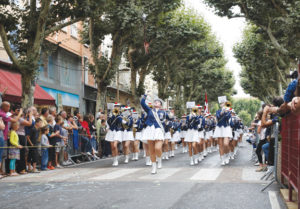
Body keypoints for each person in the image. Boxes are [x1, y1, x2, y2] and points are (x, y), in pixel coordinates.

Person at [140, 95, 169, 174]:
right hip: (150, 130)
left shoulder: (163, 112)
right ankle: (153, 167)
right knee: (151, 150)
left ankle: (159, 159)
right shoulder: (149, 110)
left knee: (158, 148)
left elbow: (169, 119)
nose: (156, 102)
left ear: (160, 105)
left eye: (158, 102)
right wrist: (144, 96)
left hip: (159, 130)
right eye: (155, 101)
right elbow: (142, 103)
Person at [0, 102, 22, 175]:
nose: (9, 109)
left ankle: (2, 171)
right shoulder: (2, 114)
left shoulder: (5, 113)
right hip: (2, 136)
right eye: (8, 107)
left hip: (5, 136)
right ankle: (6, 171)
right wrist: (20, 114)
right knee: (2, 155)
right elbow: (15, 121)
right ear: (4, 107)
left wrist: (14, 114)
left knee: (3, 155)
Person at [213, 101, 232, 165]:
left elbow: (228, 117)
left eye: (224, 103)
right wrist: (222, 112)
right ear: (220, 105)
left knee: (226, 144)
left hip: (226, 128)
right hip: (219, 128)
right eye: (221, 104)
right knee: (220, 145)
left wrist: (226, 111)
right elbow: (218, 117)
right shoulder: (218, 111)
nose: (223, 104)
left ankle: (227, 155)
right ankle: (222, 159)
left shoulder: (228, 111)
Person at [15, 108, 32, 174]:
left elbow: (24, 122)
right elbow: (29, 123)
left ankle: (20, 168)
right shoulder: (18, 118)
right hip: (20, 136)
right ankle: (21, 169)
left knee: (21, 153)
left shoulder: (19, 118)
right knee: (22, 153)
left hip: (19, 135)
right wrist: (30, 115)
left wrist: (26, 116)